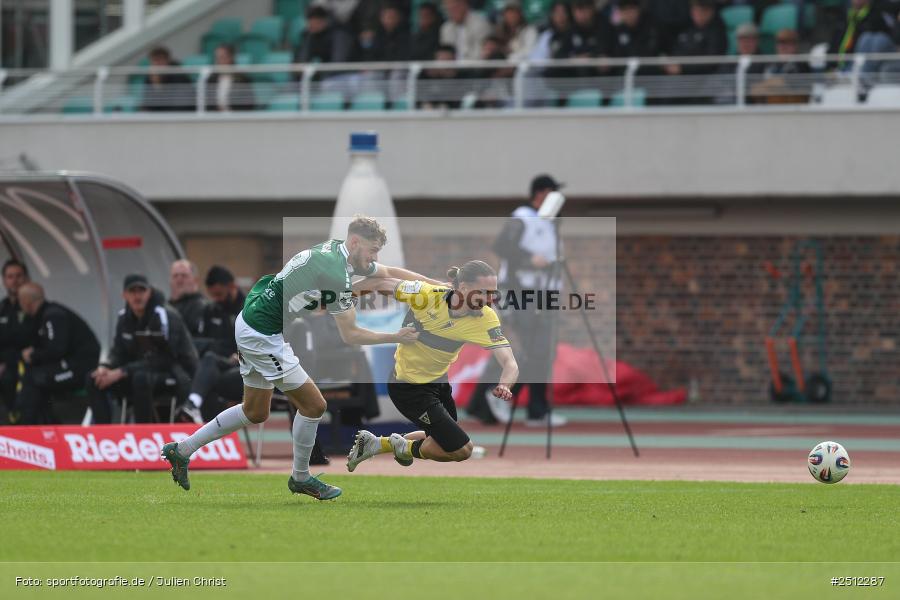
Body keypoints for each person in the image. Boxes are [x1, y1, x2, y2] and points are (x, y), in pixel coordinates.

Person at [161, 216, 444, 501]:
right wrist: (397, 336)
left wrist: (439, 287)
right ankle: (301, 477)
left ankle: (182, 450)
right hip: (262, 332)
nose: (375, 258)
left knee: (255, 411)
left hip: (251, 320)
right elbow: (351, 334)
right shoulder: (336, 273)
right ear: (356, 242)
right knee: (314, 405)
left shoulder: (339, 252)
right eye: (373, 250)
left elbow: (388, 273)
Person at [346, 261, 518, 472]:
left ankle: (379, 444)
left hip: (439, 384)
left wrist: (505, 385)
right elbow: (379, 283)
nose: (490, 299)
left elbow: (510, 362)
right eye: (484, 292)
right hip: (409, 387)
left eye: (493, 293)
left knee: (440, 442)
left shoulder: (486, 318)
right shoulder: (427, 295)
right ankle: (399, 447)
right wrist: (337, 298)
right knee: (461, 450)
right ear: (464, 287)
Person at [467, 174, 568, 427]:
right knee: (533, 349)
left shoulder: (550, 223)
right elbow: (502, 246)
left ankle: (527, 408)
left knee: (541, 352)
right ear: (541, 194)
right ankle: (502, 400)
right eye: (553, 193)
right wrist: (529, 259)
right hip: (522, 292)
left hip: (543, 294)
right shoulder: (522, 217)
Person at [86, 274, 198, 424]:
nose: (137, 296)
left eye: (141, 291)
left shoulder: (165, 316)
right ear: (124, 295)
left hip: (175, 374)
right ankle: (103, 432)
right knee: (94, 379)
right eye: (132, 291)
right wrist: (105, 367)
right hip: (137, 372)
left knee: (141, 378)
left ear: (149, 292)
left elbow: (166, 358)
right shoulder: (124, 317)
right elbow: (118, 351)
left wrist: (121, 372)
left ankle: (142, 431)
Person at [15, 283, 100, 424]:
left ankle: (31, 428)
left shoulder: (53, 315)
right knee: (33, 376)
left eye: (20, 301)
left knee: (37, 379)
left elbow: (56, 349)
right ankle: (41, 426)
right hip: (68, 365)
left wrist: (33, 355)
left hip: (80, 369)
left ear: (26, 301)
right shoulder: (41, 316)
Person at [176, 265, 246, 424]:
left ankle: (194, 407)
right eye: (212, 295)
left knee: (206, 376)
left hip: (243, 366)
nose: (216, 299)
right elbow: (204, 341)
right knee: (200, 369)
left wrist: (241, 355)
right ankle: (200, 421)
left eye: (219, 294)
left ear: (232, 286)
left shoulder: (249, 310)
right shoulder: (211, 310)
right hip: (217, 365)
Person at [0, 259, 33, 422]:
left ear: (26, 278)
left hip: (24, 362)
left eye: (19, 276)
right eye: (10, 276)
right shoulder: (2, 307)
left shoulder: (33, 305)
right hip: (4, 361)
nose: (14, 280)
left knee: (9, 377)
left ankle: (16, 420)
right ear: (4, 280)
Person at [168, 259, 209, 351]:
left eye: (184, 276)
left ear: (195, 280)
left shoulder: (202, 307)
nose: (179, 280)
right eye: (175, 276)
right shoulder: (165, 307)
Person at [141, 46, 194, 112]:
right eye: (154, 61)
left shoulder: (179, 75)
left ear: (167, 61)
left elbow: (180, 106)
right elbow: (148, 104)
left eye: (160, 60)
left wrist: (158, 86)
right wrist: (156, 84)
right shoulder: (150, 77)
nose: (157, 64)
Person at [205, 44, 256, 111]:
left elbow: (249, 105)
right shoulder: (211, 79)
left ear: (231, 58)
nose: (218, 61)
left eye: (222, 57)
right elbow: (205, 103)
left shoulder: (242, 79)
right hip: (214, 116)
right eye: (217, 58)